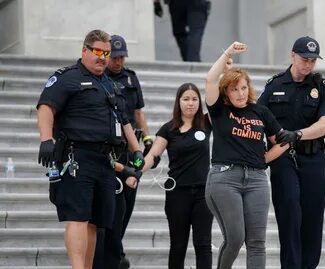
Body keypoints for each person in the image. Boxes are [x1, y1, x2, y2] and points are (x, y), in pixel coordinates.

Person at [36, 29, 145, 269]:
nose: (103, 58)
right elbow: (46, 107)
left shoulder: (110, 83)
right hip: (77, 157)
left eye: (106, 53)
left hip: (105, 160)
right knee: (78, 217)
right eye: (97, 52)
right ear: (84, 50)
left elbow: (125, 119)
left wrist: (137, 150)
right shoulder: (68, 77)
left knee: (96, 222)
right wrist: (46, 139)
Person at [204, 41, 293, 269]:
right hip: (225, 178)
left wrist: (263, 159)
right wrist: (227, 53)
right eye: (234, 89)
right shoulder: (219, 110)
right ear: (226, 91)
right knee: (235, 238)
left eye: (243, 87)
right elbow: (210, 79)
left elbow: (282, 141)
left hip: (257, 180)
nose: (240, 93)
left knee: (257, 242)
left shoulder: (260, 111)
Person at [257, 36, 325, 269]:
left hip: (313, 159)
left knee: (312, 220)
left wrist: (298, 134)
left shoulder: (320, 86)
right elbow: (257, 117)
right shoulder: (274, 85)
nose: (309, 65)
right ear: (293, 55)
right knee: (290, 215)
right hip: (283, 160)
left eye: (313, 60)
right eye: (305, 59)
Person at [93, 34, 153, 269]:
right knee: (114, 205)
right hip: (109, 150)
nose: (118, 62)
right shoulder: (100, 78)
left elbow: (138, 113)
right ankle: (112, 250)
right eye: (115, 57)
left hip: (131, 150)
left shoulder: (131, 79)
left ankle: (116, 245)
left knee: (128, 203)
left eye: (122, 57)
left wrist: (147, 139)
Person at [143, 82, 213, 269]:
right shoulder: (169, 129)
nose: (191, 103)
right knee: (178, 245)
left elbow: (218, 99)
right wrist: (136, 172)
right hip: (177, 194)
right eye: (186, 99)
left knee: (203, 244)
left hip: (203, 194)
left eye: (195, 99)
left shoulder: (206, 123)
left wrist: (225, 69)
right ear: (178, 102)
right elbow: (152, 155)